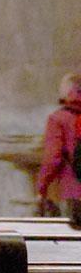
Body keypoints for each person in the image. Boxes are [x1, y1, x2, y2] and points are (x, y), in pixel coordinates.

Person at [34, 73, 81, 224]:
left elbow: (53, 158)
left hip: (74, 192)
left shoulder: (59, 119)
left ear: (68, 91)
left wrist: (41, 188)